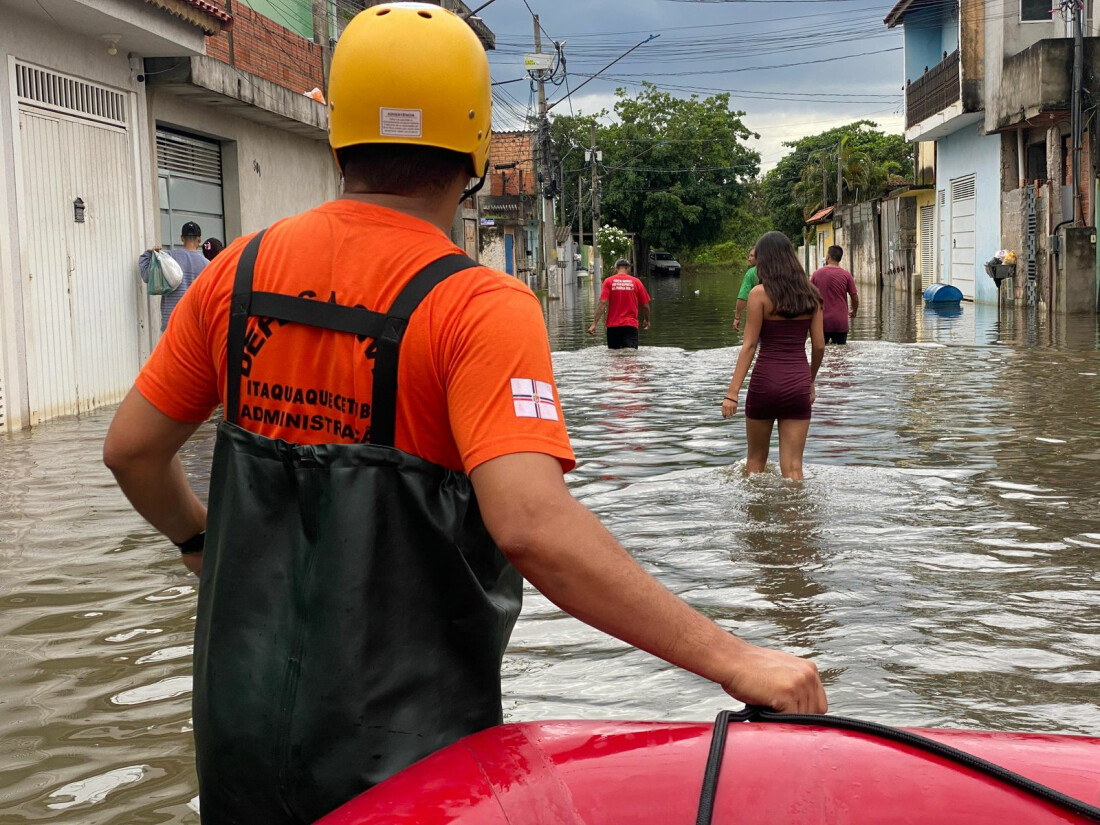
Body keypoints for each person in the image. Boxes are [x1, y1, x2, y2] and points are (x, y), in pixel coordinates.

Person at [103, 6, 825, 823]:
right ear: (477, 148)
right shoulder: (479, 305)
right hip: (408, 760)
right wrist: (735, 659)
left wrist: (203, 542)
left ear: (338, 134)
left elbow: (131, 450)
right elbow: (531, 525)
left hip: (240, 737)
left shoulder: (236, 272)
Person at [722, 231, 825, 481]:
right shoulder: (811, 294)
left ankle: (755, 518)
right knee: (793, 469)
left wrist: (732, 393)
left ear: (766, 260)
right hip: (798, 384)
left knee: (755, 463)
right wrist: (809, 381)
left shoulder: (759, 294)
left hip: (764, 384)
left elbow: (749, 346)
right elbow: (820, 345)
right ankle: (796, 519)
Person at [138, 221, 208, 332]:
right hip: (195, 327)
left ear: (181, 238)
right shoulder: (208, 265)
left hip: (171, 325)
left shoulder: (167, 257)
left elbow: (147, 276)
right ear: (199, 239)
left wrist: (151, 254)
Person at [587, 258, 651, 348]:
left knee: (614, 356)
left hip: (613, 326)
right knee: (630, 356)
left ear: (616, 268)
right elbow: (645, 305)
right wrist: (647, 320)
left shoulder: (608, 281)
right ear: (628, 268)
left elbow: (602, 303)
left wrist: (594, 324)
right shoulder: (636, 282)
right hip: (630, 325)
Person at [810, 245, 859, 345]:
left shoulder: (816, 274)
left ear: (828, 257)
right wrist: (854, 311)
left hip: (822, 322)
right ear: (840, 258)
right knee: (840, 356)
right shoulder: (846, 275)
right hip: (840, 323)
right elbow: (855, 298)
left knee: (824, 354)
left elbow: (808, 296)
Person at [732, 245, 758, 331]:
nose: (749, 259)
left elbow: (743, 297)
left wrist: (737, 317)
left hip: (759, 315)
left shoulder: (751, 273)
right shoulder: (779, 270)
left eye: (752, 256)